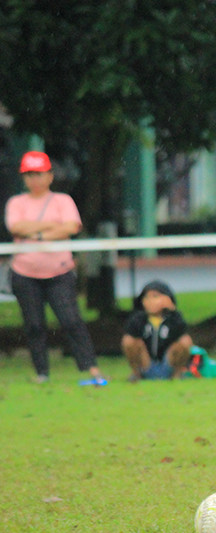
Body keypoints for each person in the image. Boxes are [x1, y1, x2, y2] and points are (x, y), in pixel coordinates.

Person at [4, 151, 106, 386]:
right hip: (25, 273)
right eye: (29, 175)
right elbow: (15, 227)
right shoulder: (16, 203)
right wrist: (51, 227)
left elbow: (70, 227)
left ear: (50, 176)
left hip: (59, 272)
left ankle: (91, 368)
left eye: (39, 174)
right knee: (34, 325)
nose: (35, 180)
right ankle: (42, 373)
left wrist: (36, 232)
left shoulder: (63, 201)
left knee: (71, 320)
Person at [122, 280, 193, 381]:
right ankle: (137, 374)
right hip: (146, 363)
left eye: (155, 297)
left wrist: (172, 310)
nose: (150, 301)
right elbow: (130, 337)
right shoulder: (139, 318)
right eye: (146, 297)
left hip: (167, 362)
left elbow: (182, 331)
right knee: (128, 340)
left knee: (185, 341)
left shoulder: (173, 318)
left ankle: (176, 375)